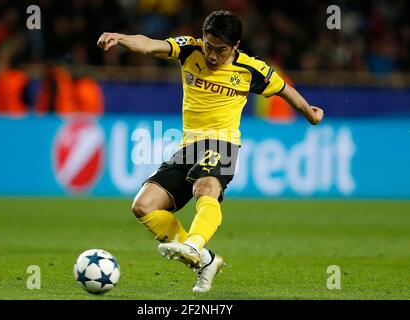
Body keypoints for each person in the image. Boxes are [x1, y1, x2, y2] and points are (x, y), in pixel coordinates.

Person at [97, 9, 324, 293]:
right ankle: (205, 259)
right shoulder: (188, 50)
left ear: (236, 47)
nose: (213, 56)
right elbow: (151, 45)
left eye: (221, 50)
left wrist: (309, 113)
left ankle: (193, 244)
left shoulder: (250, 69)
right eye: (209, 46)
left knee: (205, 188)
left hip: (223, 143)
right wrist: (120, 38)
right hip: (188, 146)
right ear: (202, 39)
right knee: (143, 206)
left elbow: (284, 89)